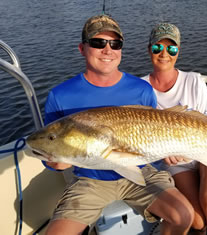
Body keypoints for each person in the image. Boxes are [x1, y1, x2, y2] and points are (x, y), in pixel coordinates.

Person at [42, 14, 194, 235]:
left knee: (183, 215)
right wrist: (56, 162)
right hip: (91, 179)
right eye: (98, 43)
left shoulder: (141, 90)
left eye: (115, 43)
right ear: (82, 48)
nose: (107, 50)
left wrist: (169, 152)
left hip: (142, 172)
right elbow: (49, 148)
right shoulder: (60, 96)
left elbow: (154, 135)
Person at [142, 23, 207, 235]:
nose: (164, 54)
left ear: (178, 52)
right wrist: (163, 156)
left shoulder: (194, 80)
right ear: (149, 50)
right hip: (175, 162)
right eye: (157, 48)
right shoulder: (140, 88)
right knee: (198, 221)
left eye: (171, 49)